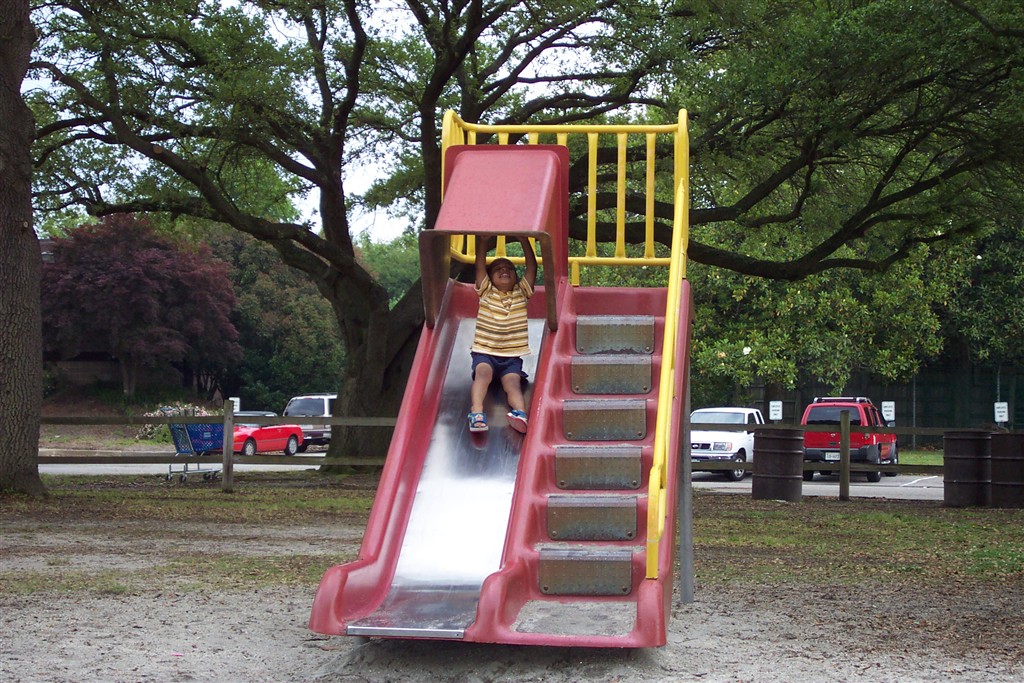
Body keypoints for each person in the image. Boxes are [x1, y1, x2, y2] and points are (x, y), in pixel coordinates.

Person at [467, 234, 537, 434]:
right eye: (498, 269)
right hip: (485, 352)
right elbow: (479, 266)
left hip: (511, 357)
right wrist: (483, 242)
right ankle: (476, 412)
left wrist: (524, 240)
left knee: (512, 383)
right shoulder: (486, 291)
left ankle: (520, 414)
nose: (504, 270)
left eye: (509, 268)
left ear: (516, 276)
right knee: (483, 373)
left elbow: (532, 267)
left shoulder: (521, 293)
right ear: (489, 277)